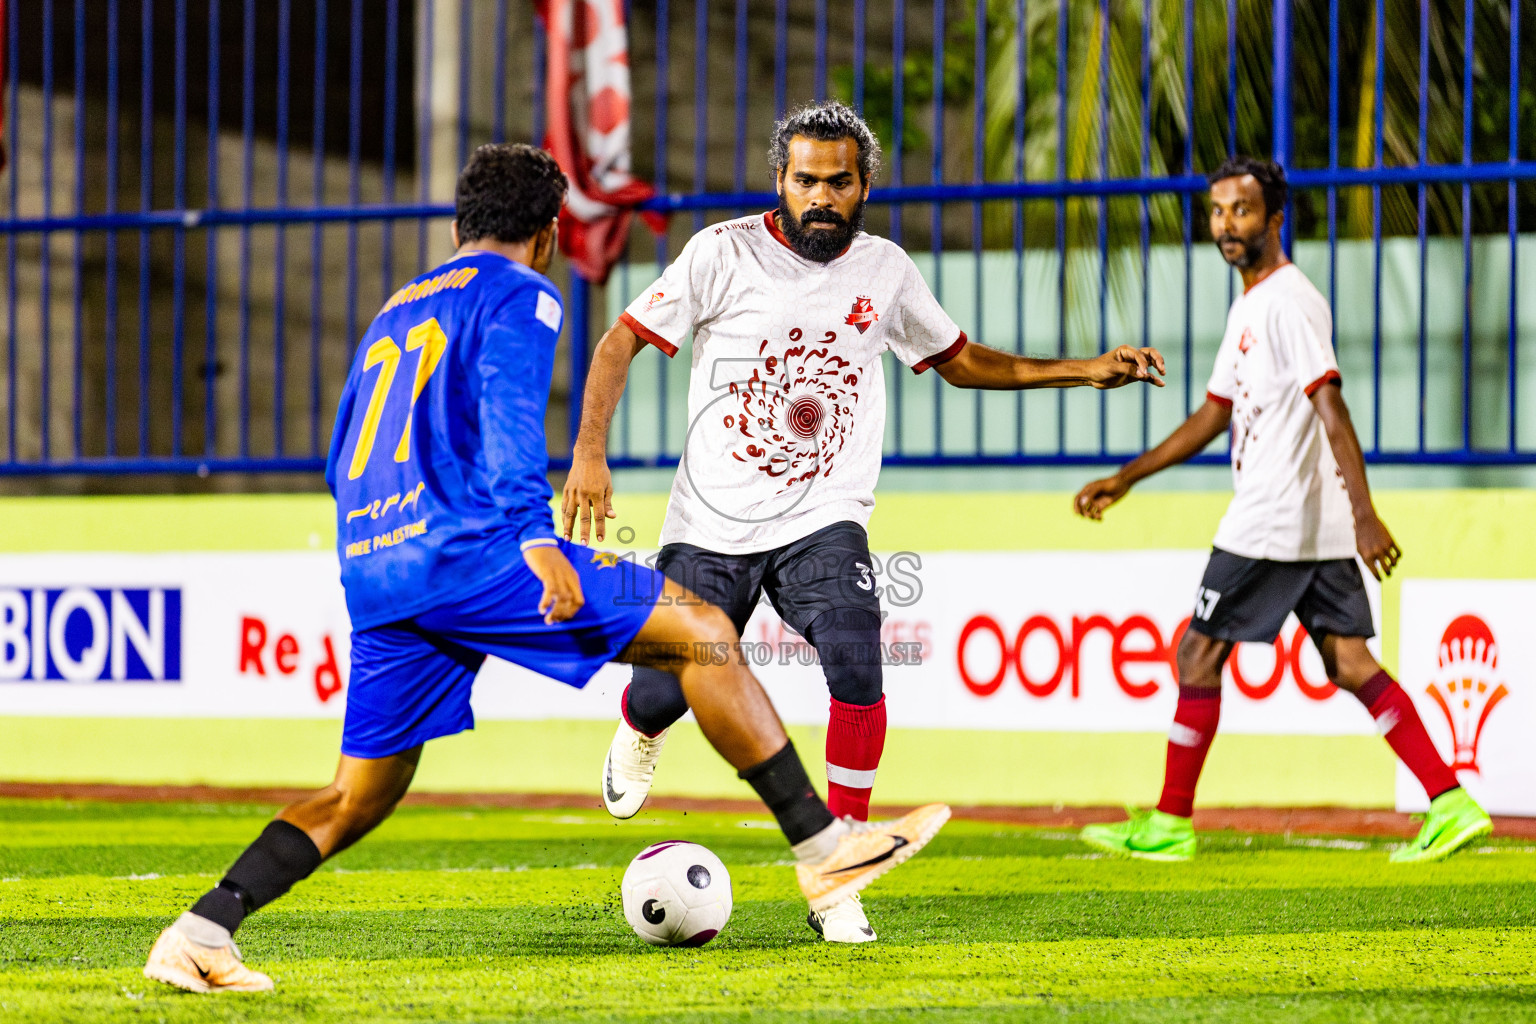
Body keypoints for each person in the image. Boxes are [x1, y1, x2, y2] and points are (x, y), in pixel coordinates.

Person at [141, 143, 950, 994]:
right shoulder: (522, 292)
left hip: (380, 570)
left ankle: (201, 931)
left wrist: (373, 552)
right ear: (549, 235)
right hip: (480, 554)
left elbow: (347, 452)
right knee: (704, 632)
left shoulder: (396, 308)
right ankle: (826, 852)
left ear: (461, 225)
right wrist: (535, 542)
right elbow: (510, 419)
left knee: (356, 798)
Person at [561, 102, 1165, 943]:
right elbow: (619, 342)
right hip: (712, 522)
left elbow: (961, 362)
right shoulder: (720, 252)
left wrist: (1083, 370)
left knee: (857, 660)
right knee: (666, 687)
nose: (820, 196)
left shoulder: (886, 271)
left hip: (823, 518)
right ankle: (637, 727)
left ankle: (837, 871)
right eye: (804, 179)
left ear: (863, 185)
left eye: (837, 181)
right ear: (780, 179)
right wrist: (590, 453)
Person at [1074, 155, 1492, 864]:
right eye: (1216, 211)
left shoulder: (1288, 302)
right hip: (1311, 520)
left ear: (1274, 218)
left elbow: (1331, 406)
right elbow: (1213, 414)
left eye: (1241, 210)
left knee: (1198, 652)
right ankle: (1451, 802)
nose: (1226, 224)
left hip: (1272, 518)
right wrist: (1128, 476)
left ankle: (1172, 823)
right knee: (1350, 661)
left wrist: (1366, 513)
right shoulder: (1251, 304)